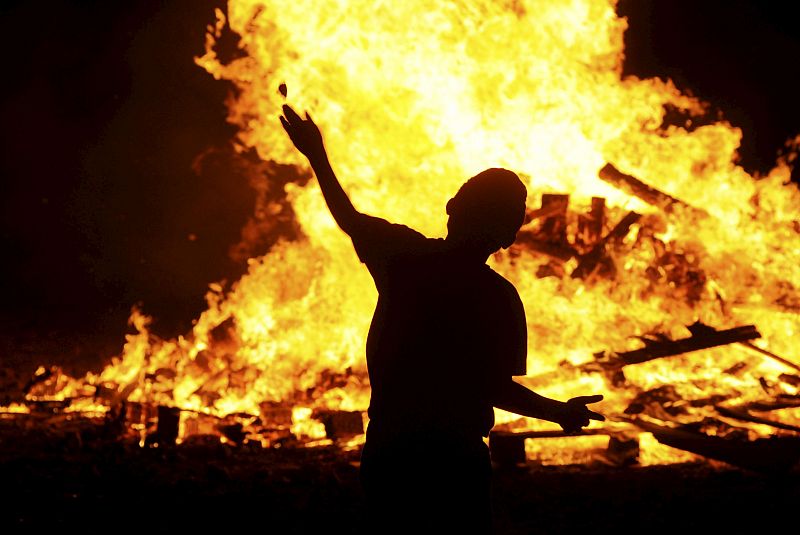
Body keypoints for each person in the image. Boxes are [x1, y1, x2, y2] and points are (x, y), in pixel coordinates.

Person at [279, 104, 604, 533]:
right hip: (456, 459)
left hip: (391, 450)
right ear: (509, 236)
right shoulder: (499, 298)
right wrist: (557, 411)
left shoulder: (402, 257)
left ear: (452, 208)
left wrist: (317, 157)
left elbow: (349, 219)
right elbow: (494, 388)